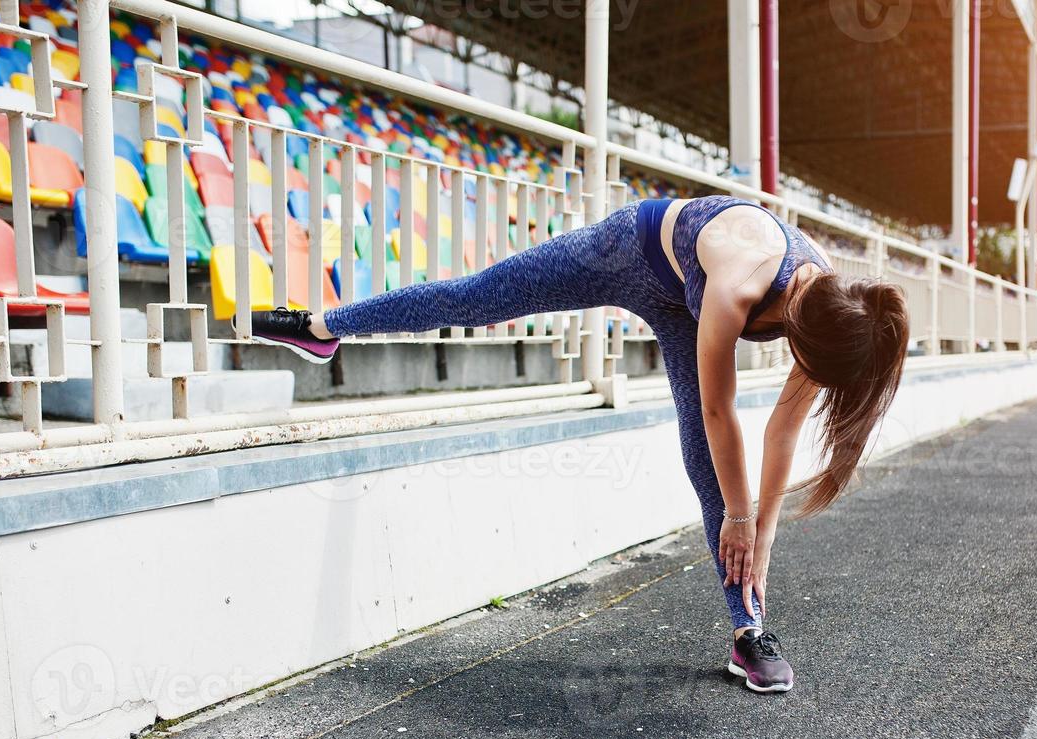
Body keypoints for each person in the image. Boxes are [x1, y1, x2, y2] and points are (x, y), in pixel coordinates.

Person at [244, 195, 910, 694]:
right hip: (627, 250)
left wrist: (761, 532)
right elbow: (720, 408)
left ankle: (748, 629)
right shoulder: (742, 284)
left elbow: (782, 429)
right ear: (796, 327)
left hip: (687, 300)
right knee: (477, 296)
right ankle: (323, 324)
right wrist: (741, 516)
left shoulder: (835, 312)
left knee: (710, 472)